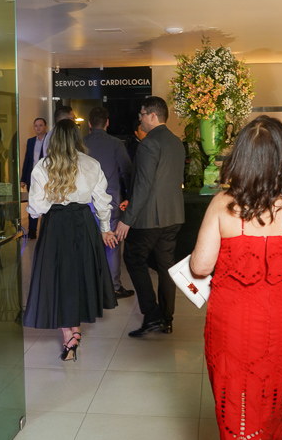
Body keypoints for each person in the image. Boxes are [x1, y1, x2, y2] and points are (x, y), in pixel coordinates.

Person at [190, 116, 282, 440]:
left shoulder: (222, 205)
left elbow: (200, 267)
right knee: (273, 404)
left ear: (240, 156)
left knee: (234, 404)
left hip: (233, 321)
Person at [23, 119, 118, 361]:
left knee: (59, 277)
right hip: (84, 223)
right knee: (78, 276)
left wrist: (45, 202)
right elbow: (102, 201)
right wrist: (105, 228)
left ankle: (69, 335)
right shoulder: (91, 163)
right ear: (77, 138)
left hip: (56, 225)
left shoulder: (44, 166)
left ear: (53, 139)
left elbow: (36, 209)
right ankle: (75, 331)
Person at [115, 96, 185, 336]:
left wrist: (127, 219)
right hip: (173, 215)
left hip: (149, 218)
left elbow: (143, 186)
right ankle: (167, 319)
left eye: (142, 114)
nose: (140, 119)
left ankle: (152, 316)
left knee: (133, 258)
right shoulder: (177, 142)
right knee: (166, 267)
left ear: (153, 116)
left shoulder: (148, 144)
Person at [83, 107, 135, 299]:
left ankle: (90, 286)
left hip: (84, 201)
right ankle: (113, 286)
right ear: (107, 122)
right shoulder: (115, 144)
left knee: (88, 244)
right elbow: (127, 171)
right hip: (110, 200)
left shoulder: (80, 143)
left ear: (89, 123)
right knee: (112, 244)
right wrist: (129, 196)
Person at [20, 117, 48, 239]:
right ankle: (32, 231)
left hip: (45, 177)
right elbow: (27, 160)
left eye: (40, 125)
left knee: (46, 202)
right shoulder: (31, 141)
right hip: (32, 177)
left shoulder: (49, 140)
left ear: (45, 127)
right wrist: (23, 179)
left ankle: (45, 231)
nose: (38, 128)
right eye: (36, 125)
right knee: (32, 203)